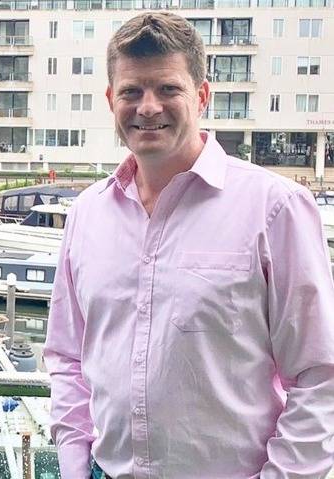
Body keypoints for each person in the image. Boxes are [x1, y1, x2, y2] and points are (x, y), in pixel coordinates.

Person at [44, 12, 334, 479]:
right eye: (131, 91)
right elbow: (68, 358)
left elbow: (320, 377)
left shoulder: (274, 208)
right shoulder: (85, 215)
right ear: (110, 99)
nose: (148, 107)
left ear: (201, 95)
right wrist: (75, 466)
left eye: (168, 89)